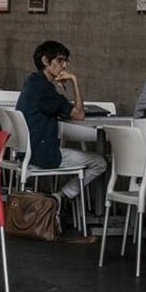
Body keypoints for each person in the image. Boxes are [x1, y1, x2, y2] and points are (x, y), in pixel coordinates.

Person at [16, 40, 106, 209]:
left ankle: (58, 197)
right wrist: (74, 81)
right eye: (59, 60)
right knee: (99, 162)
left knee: (95, 160)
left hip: (26, 152)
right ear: (45, 61)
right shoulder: (45, 89)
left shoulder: (32, 82)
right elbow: (79, 114)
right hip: (43, 154)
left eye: (65, 61)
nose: (63, 66)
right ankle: (60, 197)